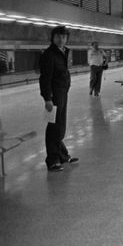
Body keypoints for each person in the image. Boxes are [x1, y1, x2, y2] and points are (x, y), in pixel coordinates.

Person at [39, 26, 78, 171]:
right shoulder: (49, 55)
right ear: (53, 38)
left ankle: (62, 155)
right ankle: (52, 160)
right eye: (58, 37)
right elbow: (45, 78)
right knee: (53, 126)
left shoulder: (63, 52)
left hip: (63, 92)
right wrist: (47, 98)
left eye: (63, 37)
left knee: (60, 125)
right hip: (54, 95)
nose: (61, 39)